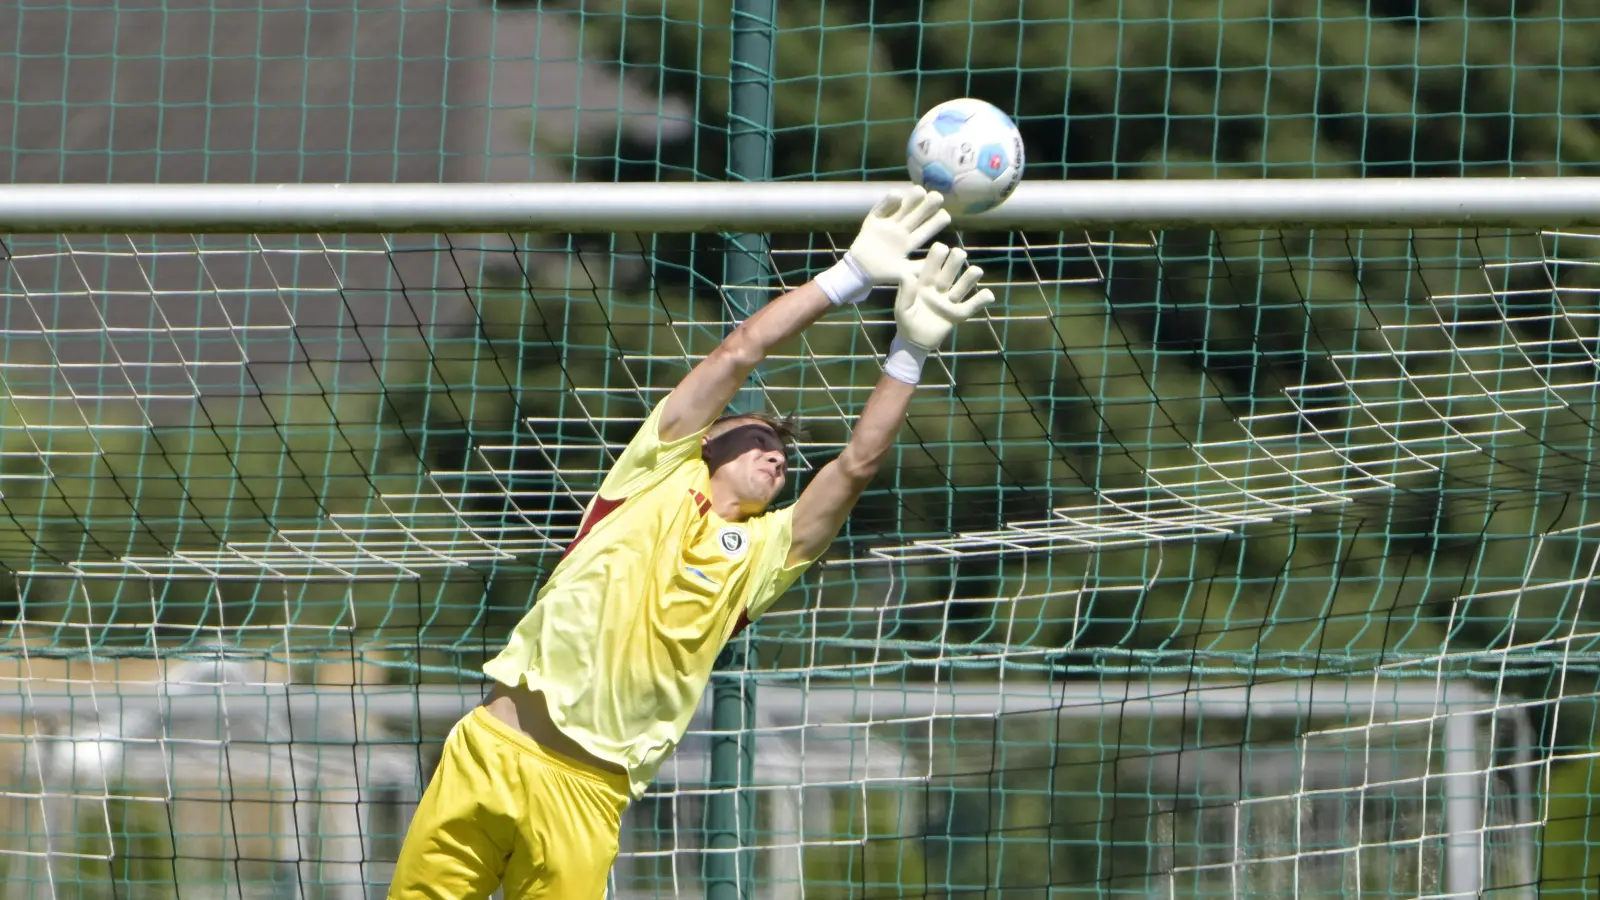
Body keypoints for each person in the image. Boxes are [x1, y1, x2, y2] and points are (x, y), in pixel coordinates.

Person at [388, 186, 993, 899]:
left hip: (586, 794)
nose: (775, 455)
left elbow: (856, 464)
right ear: (706, 442)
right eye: (759, 439)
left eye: (784, 458)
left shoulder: (764, 554)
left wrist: (909, 352)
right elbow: (742, 350)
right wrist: (849, 275)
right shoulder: (653, 473)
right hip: (488, 751)